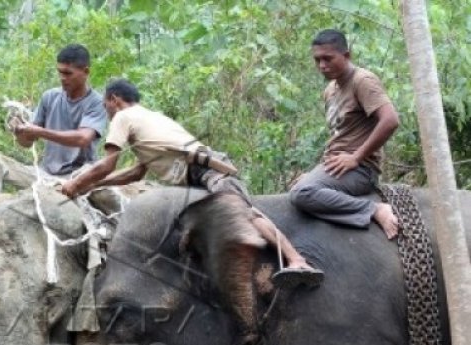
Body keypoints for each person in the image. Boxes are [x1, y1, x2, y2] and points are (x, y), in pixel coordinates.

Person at [61, 79, 323, 286]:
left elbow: (108, 164)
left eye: (106, 105)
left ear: (113, 99)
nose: (106, 111)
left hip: (204, 171)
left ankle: (296, 259)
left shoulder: (122, 117)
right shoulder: (152, 118)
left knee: (246, 213)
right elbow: (135, 173)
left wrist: (75, 185)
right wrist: (92, 185)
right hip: (197, 173)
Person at [290, 29, 400, 239]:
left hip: (361, 170)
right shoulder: (330, 89)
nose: (322, 65)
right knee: (302, 186)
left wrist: (356, 157)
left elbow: (390, 120)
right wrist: (316, 173)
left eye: (328, 58)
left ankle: (374, 209)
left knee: (302, 193)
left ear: (347, 55)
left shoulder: (363, 81)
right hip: (337, 167)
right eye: (317, 60)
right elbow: (340, 136)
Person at [0, 44, 107, 193]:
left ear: (85, 72)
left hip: (77, 177)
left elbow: (83, 139)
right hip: (44, 175)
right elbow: (27, 143)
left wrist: (39, 131)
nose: (62, 78)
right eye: (60, 73)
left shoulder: (97, 102)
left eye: (68, 73)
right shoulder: (50, 96)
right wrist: (20, 130)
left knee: (95, 182)